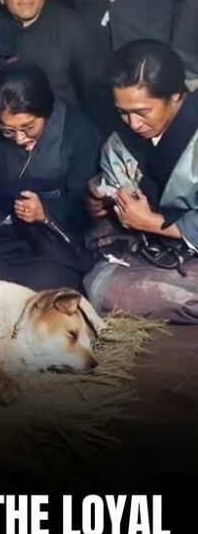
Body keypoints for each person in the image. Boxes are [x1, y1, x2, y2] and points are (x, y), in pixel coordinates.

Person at [84, 40, 198, 322]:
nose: (133, 124)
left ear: (176, 96)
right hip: (166, 250)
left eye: (142, 112)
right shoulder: (123, 139)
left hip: (178, 240)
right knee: (99, 285)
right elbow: (117, 183)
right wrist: (104, 202)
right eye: (123, 112)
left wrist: (153, 223)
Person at [0, 62, 100, 291]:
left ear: (46, 111)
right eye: (8, 130)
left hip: (57, 245)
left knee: (41, 285)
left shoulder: (77, 131)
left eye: (28, 127)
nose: (19, 139)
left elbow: (84, 206)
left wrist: (45, 213)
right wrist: (6, 218)